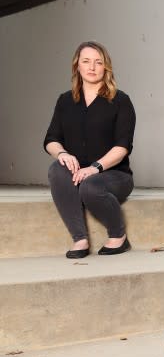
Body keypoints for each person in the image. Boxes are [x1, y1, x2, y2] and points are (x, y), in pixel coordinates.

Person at [43, 41, 135, 258]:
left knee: (89, 186)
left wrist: (94, 168)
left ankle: (118, 235)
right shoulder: (65, 100)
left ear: (106, 67)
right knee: (57, 169)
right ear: (77, 66)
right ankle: (80, 239)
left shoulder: (121, 101)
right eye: (86, 61)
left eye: (98, 62)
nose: (92, 67)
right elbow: (51, 139)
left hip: (114, 175)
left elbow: (122, 147)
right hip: (78, 173)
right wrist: (62, 154)